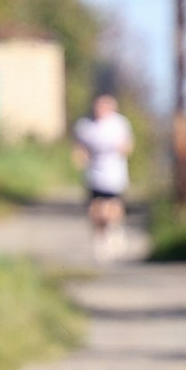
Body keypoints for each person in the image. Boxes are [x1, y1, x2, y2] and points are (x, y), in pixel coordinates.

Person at [71, 93, 135, 260]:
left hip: (114, 173)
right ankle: (100, 240)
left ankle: (115, 229)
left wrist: (121, 148)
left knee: (112, 208)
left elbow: (128, 146)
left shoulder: (119, 124)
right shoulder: (85, 126)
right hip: (94, 173)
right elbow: (79, 147)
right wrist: (80, 157)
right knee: (96, 209)